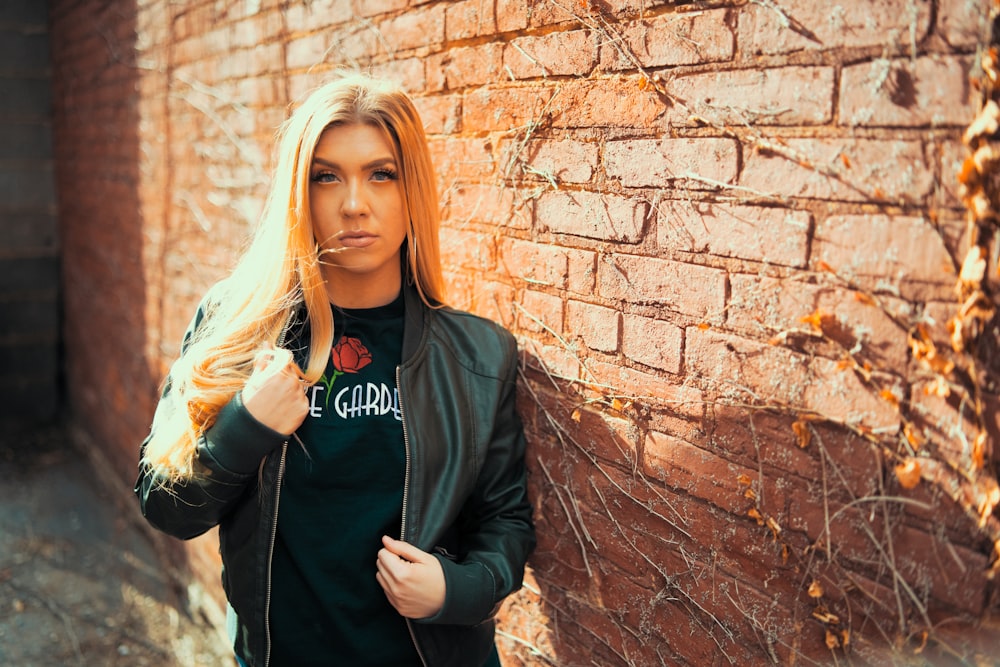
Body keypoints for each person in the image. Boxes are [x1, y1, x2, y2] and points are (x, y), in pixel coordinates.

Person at [134, 72, 536, 667]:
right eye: (326, 176)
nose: (354, 203)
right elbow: (164, 504)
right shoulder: (238, 328)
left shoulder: (478, 355)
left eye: (381, 173)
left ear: (411, 190)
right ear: (300, 193)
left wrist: (457, 590)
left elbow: (505, 522)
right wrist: (246, 424)